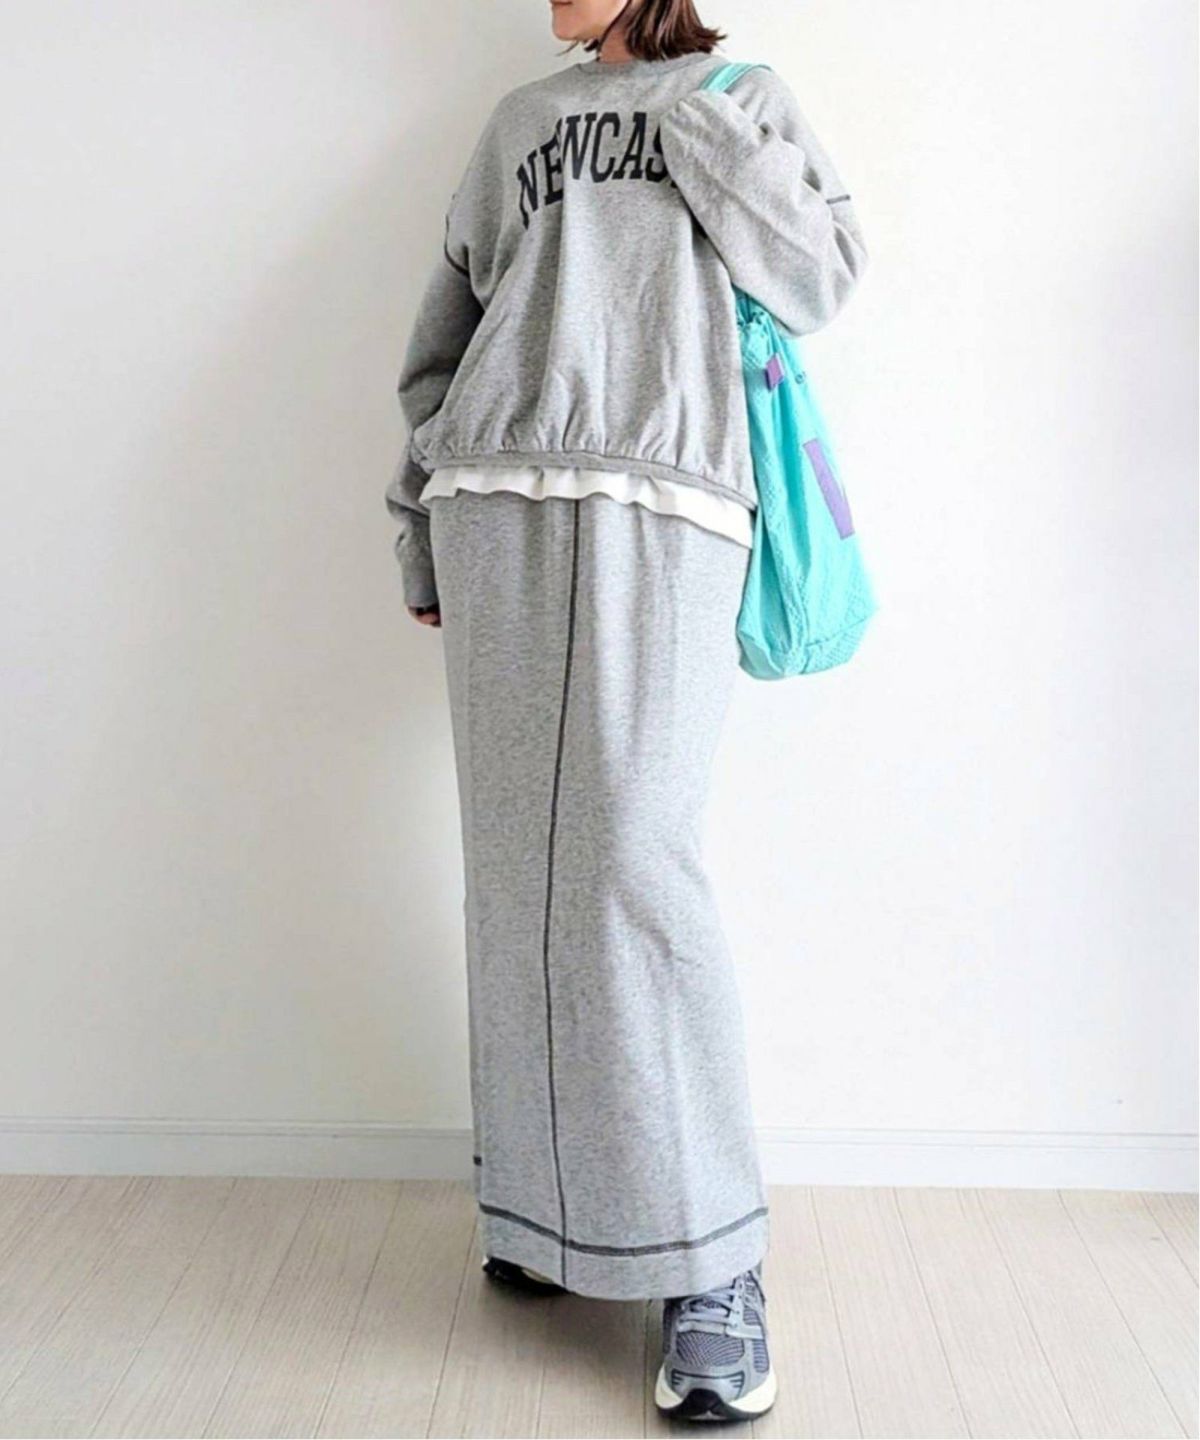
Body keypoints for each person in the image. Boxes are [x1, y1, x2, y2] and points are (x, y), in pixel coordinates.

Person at [386, 0, 867, 1422]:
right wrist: (417, 526)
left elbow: (823, 276)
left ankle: (712, 1262)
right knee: (519, 874)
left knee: (632, 862)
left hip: (670, 501)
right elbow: (445, 341)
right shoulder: (517, 123)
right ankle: (543, 1210)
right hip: (493, 507)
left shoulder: (744, 97)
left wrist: (699, 125)